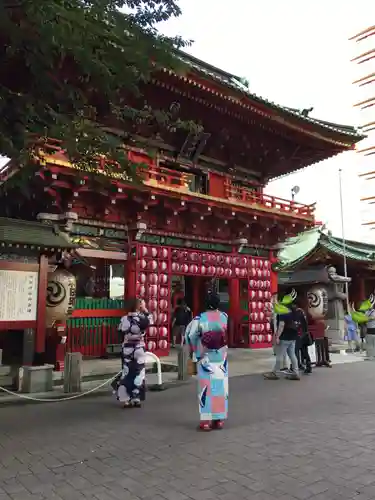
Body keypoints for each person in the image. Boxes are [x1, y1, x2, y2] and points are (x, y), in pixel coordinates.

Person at [185, 293, 228, 431]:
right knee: (220, 388)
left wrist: (193, 349)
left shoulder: (199, 318)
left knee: (205, 388)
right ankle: (219, 419)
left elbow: (190, 335)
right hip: (221, 357)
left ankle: (206, 421)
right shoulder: (224, 317)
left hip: (205, 357)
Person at [113, 298, 153, 408]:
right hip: (139, 347)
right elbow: (151, 320)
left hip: (127, 348)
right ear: (138, 307)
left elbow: (120, 332)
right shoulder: (142, 319)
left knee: (126, 372)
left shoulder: (124, 319)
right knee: (139, 372)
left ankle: (125, 399)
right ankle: (136, 397)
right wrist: (144, 309)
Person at [264, 302, 306, 381]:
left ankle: (275, 373)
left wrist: (277, 336)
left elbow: (281, 325)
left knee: (279, 355)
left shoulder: (283, 313)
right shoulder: (295, 312)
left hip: (284, 337)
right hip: (293, 336)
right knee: (292, 355)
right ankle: (295, 372)